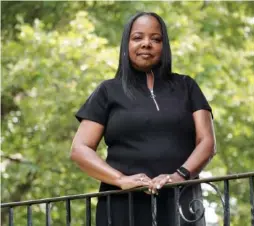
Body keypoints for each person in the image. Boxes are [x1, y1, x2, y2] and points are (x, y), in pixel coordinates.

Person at [71, 11, 216, 226]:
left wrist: (178, 177)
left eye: (155, 39)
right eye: (138, 37)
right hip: (122, 206)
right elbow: (79, 149)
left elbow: (207, 143)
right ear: (126, 44)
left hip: (181, 204)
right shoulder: (108, 91)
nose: (146, 44)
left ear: (164, 46)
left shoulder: (187, 87)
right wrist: (121, 180)